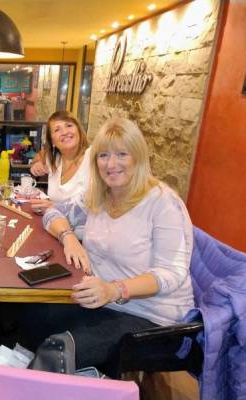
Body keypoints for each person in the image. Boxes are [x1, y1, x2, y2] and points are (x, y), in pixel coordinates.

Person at [22, 117, 194, 376]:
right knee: (29, 314)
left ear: (138, 157)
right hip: (100, 298)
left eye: (121, 154)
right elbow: (52, 213)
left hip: (151, 317)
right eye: (103, 155)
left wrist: (114, 290)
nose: (111, 164)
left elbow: (171, 275)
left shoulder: (163, 203)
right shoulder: (99, 193)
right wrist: (68, 236)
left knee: (57, 351)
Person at [29, 111, 90, 214]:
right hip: (54, 224)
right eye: (57, 130)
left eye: (69, 125)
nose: (65, 132)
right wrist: (36, 163)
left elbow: (96, 207)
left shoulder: (93, 157)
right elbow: (40, 155)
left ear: (79, 130)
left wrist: (54, 207)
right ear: (52, 141)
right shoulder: (54, 158)